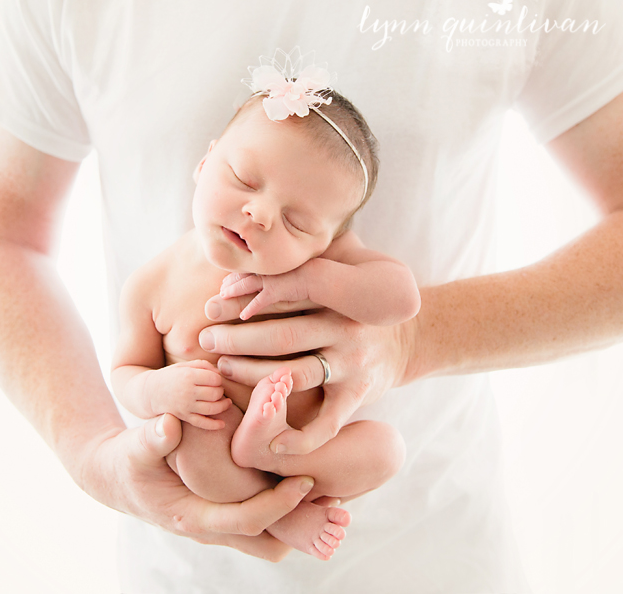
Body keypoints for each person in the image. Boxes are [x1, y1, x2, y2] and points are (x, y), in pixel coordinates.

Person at [0, 0, 623, 591]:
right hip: (176, 570)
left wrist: (410, 342)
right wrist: (94, 453)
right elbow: (4, 239)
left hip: (432, 559)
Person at [111, 55, 417, 560]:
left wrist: (317, 277)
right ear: (206, 161)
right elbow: (126, 372)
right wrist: (158, 387)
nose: (260, 213)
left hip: (305, 447)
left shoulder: (322, 262)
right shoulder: (152, 282)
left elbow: (402, 299)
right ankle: (281, 514)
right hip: (214, 432)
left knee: (386, 450)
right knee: (187, 439)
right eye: (244, 180)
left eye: (297, 223)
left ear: (327, 240)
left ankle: (269, 456)